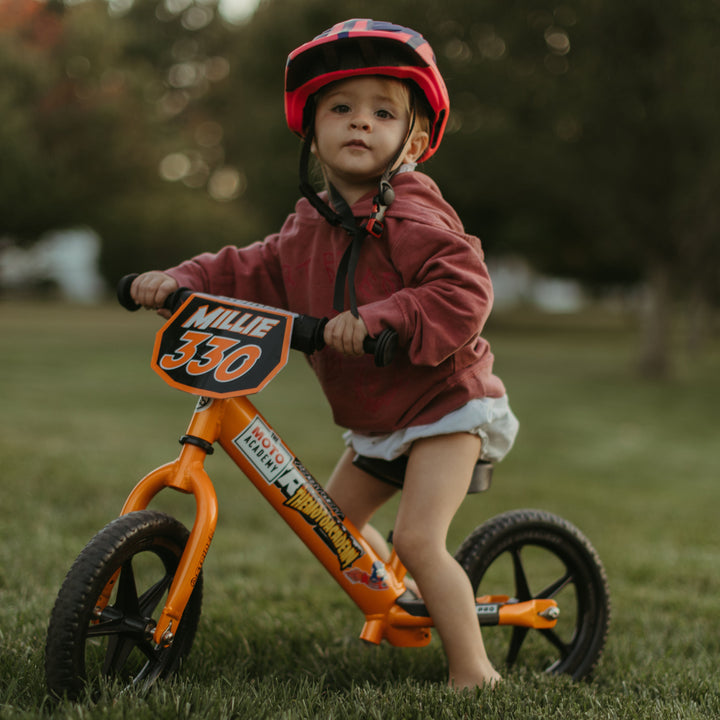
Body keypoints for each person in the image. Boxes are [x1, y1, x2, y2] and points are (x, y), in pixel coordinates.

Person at [131, 18, 518, 690]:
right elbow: (249, 267)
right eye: (340, 108)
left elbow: (464, 288)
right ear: (312, 131)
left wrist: (379, 317)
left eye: (382, 111)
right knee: (330, 522)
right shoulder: (308, 223)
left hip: (447, 406)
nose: (359, 123)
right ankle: (397, 603)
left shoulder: (414, 216)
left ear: (414, 139)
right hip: (376, 414)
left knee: (418, 539)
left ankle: (473, 669)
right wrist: (181, 281)